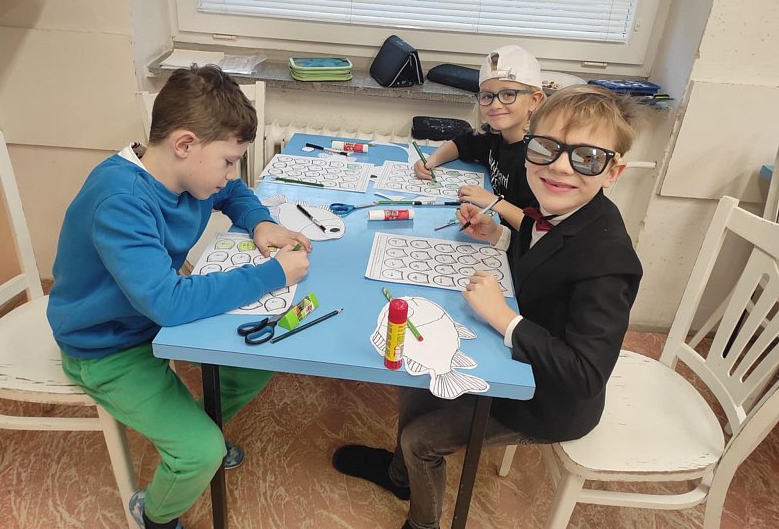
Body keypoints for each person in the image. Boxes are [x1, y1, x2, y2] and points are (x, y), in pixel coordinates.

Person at [333, 84, 644, 529]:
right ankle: (400, 476)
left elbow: (586, 374)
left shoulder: (608, 262)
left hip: (545, 400)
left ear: (613, 172)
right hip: (514, 357)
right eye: (546, 148)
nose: (560, 166)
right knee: (414, 387)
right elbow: (542, 254)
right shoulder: (560, 209)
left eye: (587, 158)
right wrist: (496, 236)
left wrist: (503, 317)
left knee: (421, 439)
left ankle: (422, 523)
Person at [47, 65, 311, 529]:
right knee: (201, 453)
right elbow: (168, 302)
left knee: (259, 360)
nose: (231, 174)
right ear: (185, 144)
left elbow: (234, 194)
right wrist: (271, 274)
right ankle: (154, 515)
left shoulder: (187, 175)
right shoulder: (121, 200)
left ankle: (194, 429)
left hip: (149, 321)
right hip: (106, 346)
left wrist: (261, 222)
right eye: (228, 161)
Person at [414, 45, 545, 230]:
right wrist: (431, 161)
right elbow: (460, 143)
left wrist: (493, 201)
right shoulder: (494, 134)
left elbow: (538, 228)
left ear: (534, 100)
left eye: (508, 94)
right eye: (487, 96)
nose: (495, 105)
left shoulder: (537, 160)